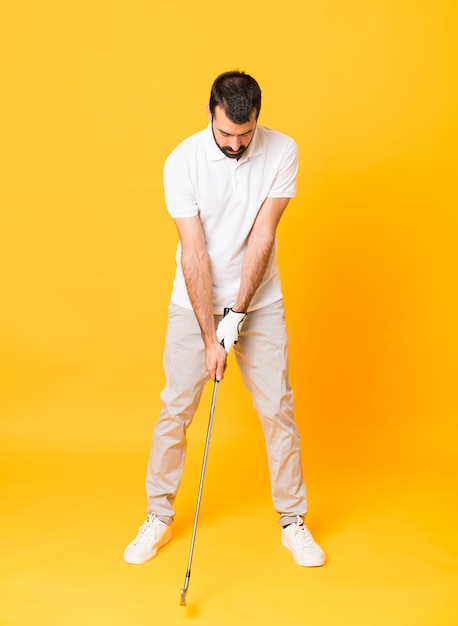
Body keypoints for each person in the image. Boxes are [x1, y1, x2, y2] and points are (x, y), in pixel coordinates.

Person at [124, 71, 326, 568]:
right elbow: (193, 252)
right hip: (193, 300)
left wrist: (237, 314)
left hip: (260, 301)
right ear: (210, 115)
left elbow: (262, 238)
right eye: (225, 134)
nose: (235, 145)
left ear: (258, 119)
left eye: (245, 134)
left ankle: (293, 520)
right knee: (176, 407)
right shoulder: (183, 161)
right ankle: (157, 515)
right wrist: (209, 333)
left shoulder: (282, 151)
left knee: (277, 406)